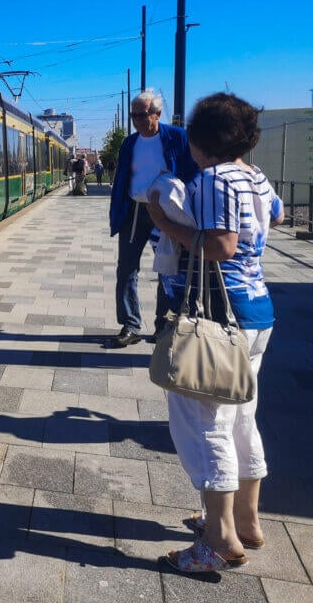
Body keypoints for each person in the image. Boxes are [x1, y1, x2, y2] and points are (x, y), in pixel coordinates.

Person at [146, 92, 284, 573]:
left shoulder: (210, 180)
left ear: (199, 143)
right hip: (257, 313)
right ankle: (246, 521)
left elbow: (221, 246)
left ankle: (219, 538)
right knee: (241, 417)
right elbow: (278, 215)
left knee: (205, 426)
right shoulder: (255, 176)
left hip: (218, 318)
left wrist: (164, 220)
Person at [108, 91, 197, 347]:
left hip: (166, 212)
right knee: (126, 269)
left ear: (157, 114)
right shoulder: (129, 143)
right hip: (135, 210)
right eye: (133, 114)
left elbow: (191, 173)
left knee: (168, 269)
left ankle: (163, 325)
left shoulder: (177, 137)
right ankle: (130, 325)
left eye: (141, 114)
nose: (135, 119)